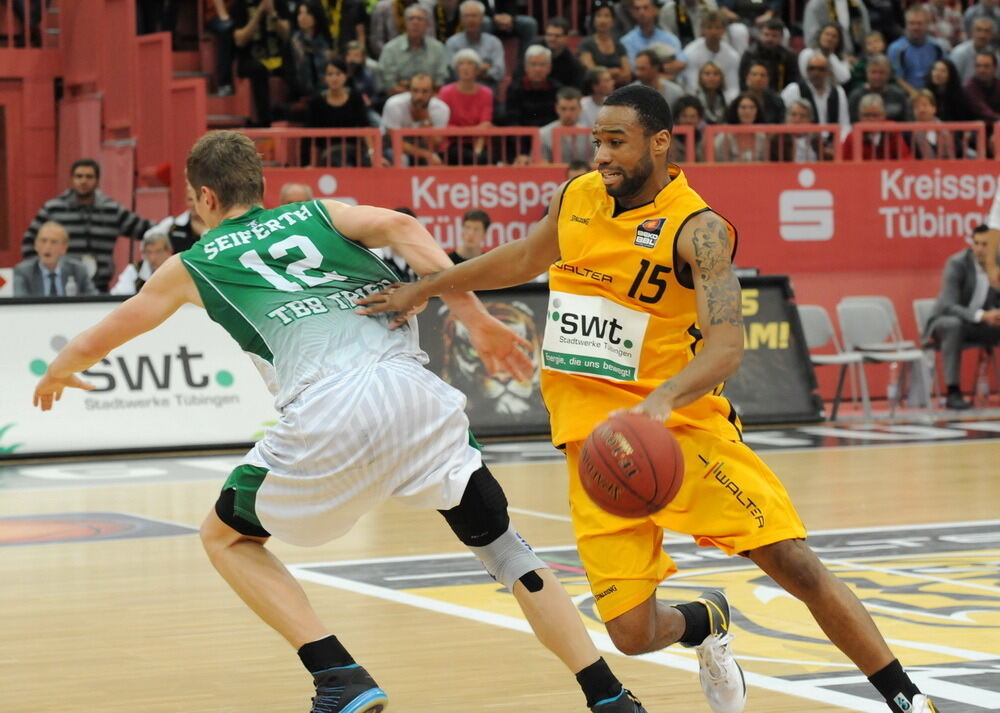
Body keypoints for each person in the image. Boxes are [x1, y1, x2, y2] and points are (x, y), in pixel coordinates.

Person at [359, 83, 946, 713]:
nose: (602, 155)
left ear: (660, 142)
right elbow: (523, 257)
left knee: (792, 562)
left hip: (680, 429)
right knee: (631, 636)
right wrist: (428, 287)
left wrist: (662, 399)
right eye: (596, 142)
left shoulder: (702, 231)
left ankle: (908, 700)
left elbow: (726, 349)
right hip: (596, 448)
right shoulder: (578, 197)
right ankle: (708, 621)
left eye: (617, 142)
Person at [32, 129, 650, 713]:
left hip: (326, 411)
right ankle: (608, 695)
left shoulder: (190, 264)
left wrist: (60, 368)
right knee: (506, 549)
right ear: (261, 186)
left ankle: (338, 675)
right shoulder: (322, 214)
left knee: (225, 537)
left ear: (207, 198)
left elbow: (114, 328)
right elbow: (404, 226)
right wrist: (476, 318)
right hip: (417, 398)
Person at [21, 159, 153, 293]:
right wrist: (40, 272)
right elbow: (29, 241)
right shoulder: (53, 208)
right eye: (79, 176)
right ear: (71, 179)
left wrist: (171, 226)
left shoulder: (111, 209)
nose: (83, 181)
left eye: (89, 177)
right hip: (61, 286)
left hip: (100, 285)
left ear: (97, 180)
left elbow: (145, 230)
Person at [924, 224, 1000, 409]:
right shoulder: (957, 263)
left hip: (980, 325)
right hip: (944, 323)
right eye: (977, 243)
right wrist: (982, 316)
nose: (980, 249)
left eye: (985, 245)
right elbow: (950, 306)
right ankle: (953, 392)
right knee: (953, 324)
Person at [305, 58, 379, 167]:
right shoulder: (316, 102)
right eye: (330, 74)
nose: (334, 78)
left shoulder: (356, 98)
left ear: (345, 76)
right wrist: (313, 164)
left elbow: (365, 127)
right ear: (325, 78)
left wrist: (373, 156)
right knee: (337, 160)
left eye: (338, 74)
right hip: (328, 155)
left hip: (354, 153)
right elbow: (314, 138)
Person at [232, 0, 294, 126]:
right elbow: (239, 40)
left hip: (277, 58)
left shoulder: (279, 3)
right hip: (249, 59)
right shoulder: (240, 5)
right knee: (258, 69)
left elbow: (287, 34)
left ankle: (290, 113)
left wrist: (272, 13)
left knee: (293, 63)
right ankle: (265, 121)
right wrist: (259, 13)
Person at [377, 4, 449, 98]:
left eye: (419, 19)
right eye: (411, 19)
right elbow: (389, 86)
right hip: (399, 99)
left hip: (431, 100)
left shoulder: (438, 48)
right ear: (405, 23)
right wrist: (419, 93)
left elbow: (441, 82)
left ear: (427, 24)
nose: (415, 22)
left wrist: (406, 84)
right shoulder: (390, 49)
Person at [438, 48, 494, 164]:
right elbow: (445, 126)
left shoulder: (486, 93)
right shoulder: (445, 92)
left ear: (477, 69)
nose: (465, 67)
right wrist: (474, 130)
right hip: (452, 143)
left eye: (470, 64)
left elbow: (485, 124)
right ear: (456, 69)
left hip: (476, 143)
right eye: (461, 64)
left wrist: (477, 149)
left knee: (484, 158)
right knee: (463, 156)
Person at [14, 221, 98, 297]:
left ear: (64, 248)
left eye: (54, 242)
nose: (48, 247)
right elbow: (20, 304)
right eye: (43, 241)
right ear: (36, 245)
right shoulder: (23, 272)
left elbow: (95, 300)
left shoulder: (78, 270)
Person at [381, 72, 451, 165]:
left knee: (435, 161)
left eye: (425, 91)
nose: (419, 96)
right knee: (402, 159)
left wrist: (425, 121)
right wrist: (425, 154)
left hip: (421, 145)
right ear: (409, 91)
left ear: (433, 93)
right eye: (415, 90)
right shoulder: (394, 105)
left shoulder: (441, 109)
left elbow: (434, 144)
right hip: (391, 146)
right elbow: (395, 142)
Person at [444, 0, 505, 92]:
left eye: (474, 16)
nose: (470, 20)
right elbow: (451, 73)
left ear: (482, 18)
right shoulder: (452, 42)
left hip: (487, 90)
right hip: (459, 91)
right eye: (467, 16)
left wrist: (466, 70)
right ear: (461, 19)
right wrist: (482, 69)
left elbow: (499, 73)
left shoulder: (494, 42)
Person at [887, 5, 947, 93]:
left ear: (927, 24)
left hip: (935, 93)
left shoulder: (939, 46)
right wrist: (917, 96)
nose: (915, 27)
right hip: (907, 96)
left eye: (919, 23)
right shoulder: (895, 49)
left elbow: (945, 73)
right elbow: (898, 79)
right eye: (911, 23)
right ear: (906, 25)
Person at [680, 10, 741, 93]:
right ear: (702, 30)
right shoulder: (690, 52)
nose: (713, 32)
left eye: (717, 27)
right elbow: (692, 86)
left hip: (722, 99)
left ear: (724, 30)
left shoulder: (733, 56)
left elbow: (733, 87)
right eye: (709, 27)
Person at [621, 0, 687, 72]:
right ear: (633, 13)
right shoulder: (626, 41)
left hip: (668, 80)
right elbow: (634, 69)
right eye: (637, 9)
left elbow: (681, 63)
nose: (641, 12)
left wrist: (656, 70)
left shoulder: (669, 38)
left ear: (655, 10)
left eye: (646, 8)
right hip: (640, 82)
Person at [578, 0, 632, 88]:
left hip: (618, 91)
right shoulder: (586, 44)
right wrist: (615, 71)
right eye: (598, 15)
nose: (602, 20)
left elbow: (627, 75)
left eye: (607, 16)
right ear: (593, 19)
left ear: (613, 20)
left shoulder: (619, 45)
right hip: (594, 92)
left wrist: (605, 77)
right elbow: (593, 73)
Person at [843, 93, 912, 159]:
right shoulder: (852, 137)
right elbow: (844, 164)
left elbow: (906, 158)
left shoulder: (892, 132)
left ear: (884, 115)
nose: (871, 119)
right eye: (867, 115)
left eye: (875, 115)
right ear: (859, 116)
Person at [737, 18, 798, 92]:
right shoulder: (750, 54)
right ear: (760, 35)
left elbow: (792, 82)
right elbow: (743, 82)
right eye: (766, 34)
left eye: (774, 36)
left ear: (781, 38)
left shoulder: (789, 56)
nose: (769, 39)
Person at [290, 1, 334, 98]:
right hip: (301, 95)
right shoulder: (292, 43)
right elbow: (291, 76)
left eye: (308, 13)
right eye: (300, 13)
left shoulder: (326, 42)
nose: (302, 17)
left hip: (328, 91)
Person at [847, 53, 909, 122]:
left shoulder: (899, 96)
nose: (877, 77)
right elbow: (851, 125)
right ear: (867, 73)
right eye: (873, 72)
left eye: (881, 73)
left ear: (889, 74)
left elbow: (906, 124)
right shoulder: (856, 96)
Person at [109, 232, 174, 296]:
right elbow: (119, 295)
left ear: (169, 252)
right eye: (148, 252)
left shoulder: (179, 269)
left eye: (158, 251)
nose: (153, 258)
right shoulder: (134, 270)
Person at [801, 0, 870, 59]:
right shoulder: (817, 5)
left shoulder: (857, 4)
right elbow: (812, 41)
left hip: (858, 57)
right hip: (826, 59)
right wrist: (840, 59)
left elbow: (867, 35)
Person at [540, 86, 592, 163]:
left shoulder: (590, 135)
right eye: (563, 109)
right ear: (556, 108)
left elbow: (595, 163)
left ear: (580, 109)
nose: (568, 114)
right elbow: (541, 164)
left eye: (572, 109)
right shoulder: (544, 134)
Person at [713, 91, 768, 162]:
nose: (747, 111)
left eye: (752, 107)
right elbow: (718, 163)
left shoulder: (762, 137)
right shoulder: (725, 137)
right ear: (736, 110)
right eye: (743, 107)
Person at [632, 49, 687, 113]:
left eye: (642, 69)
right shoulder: (630, 93)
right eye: (637, 68)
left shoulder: (676, 92)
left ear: (655, 68)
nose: (637, 73)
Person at [798, 21, 853, 87]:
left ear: (838, 41)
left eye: (834, 36)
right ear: (820, 35)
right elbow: (805, 77)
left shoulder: (837, 57)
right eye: (827, 34)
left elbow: (844, 78)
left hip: (831, 92)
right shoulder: (807, 53)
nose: (829, 39)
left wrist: (830, 56)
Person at [907, 90, 955, 159]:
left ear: (934, 108)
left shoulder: (946, 131)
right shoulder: (909, 133)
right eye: (916, 107)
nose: (921, 109)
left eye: (925, 105)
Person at [950, 17, 999, 82]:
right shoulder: (959, 53)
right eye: (979, 30)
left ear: (992, 35)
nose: (982, 35)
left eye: (987, 31)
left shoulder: (994, 55)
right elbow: (951, 80)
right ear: (972, 32)